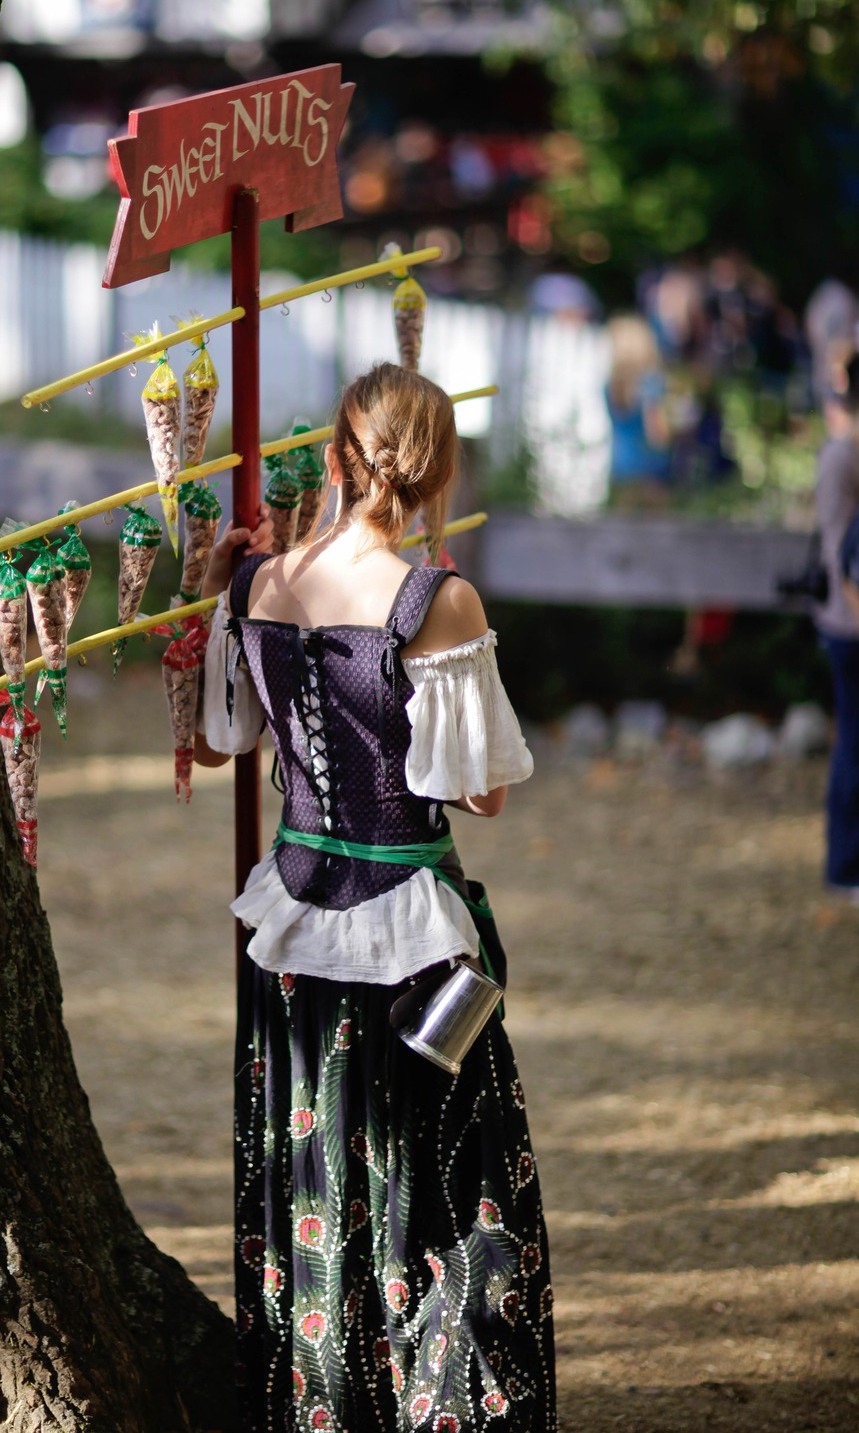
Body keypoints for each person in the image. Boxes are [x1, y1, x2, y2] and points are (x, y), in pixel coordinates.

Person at [196, 363, 555, 1432]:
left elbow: (230, 738)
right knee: (444, 1183)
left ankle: (323, 1393)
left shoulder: (257, 586)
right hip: (409, 934)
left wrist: (232, 580)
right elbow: (475, 791)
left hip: (295, 926)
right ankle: (441, 1401)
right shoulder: (433, 600)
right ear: (436, 471)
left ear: (333, 458)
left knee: (316, 1167)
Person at [815, 353, 859, 900]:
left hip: (845, 619)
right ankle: (845, 866)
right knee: (853, 745)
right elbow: (843, 558)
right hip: (848, 625)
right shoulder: (842, 457)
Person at [604, 313, 672, 506]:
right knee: (655, 530)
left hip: (621, 463)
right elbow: (657, 432)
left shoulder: (610, 385)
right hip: (650, 466)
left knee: (623, 529)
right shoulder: (651, 382)